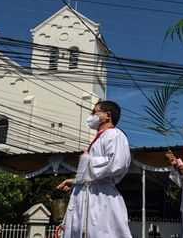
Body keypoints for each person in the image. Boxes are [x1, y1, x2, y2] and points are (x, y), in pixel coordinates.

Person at [56, 100, 132, 238]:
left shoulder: (114, 134)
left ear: (107, 115)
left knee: (102, 232)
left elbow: (117, 163)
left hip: (101, 197)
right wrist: (75, 181)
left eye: (94, 112)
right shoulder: (99, 137)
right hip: (89, 193)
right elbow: (95, 174)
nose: (91, 116)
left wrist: (87, 159)